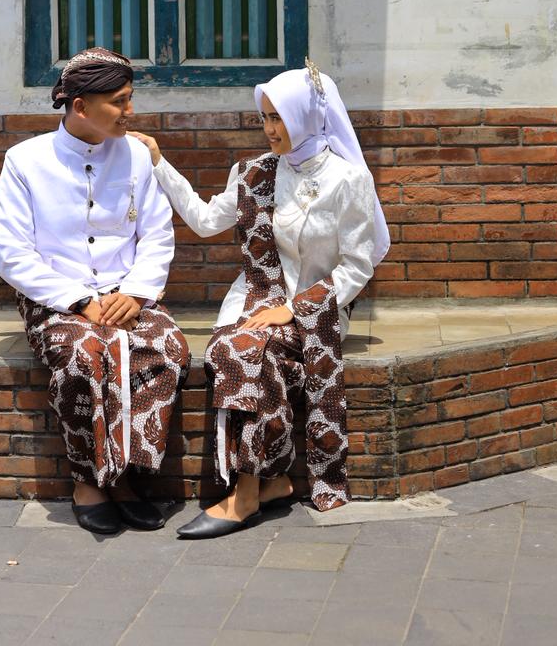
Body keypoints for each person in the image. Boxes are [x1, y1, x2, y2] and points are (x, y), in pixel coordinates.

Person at [131, 60, 389, 540]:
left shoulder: (348, 180)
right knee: (233, 350)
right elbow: (205, 220)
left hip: (317, 310)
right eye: (265, 118)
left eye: (279, 118)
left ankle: (246, 493)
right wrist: (159, 163)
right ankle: (270, 482)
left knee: (245, 353)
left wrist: (294, 308)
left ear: (306, 117)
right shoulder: (253, 172)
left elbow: (357, 266)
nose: (270, 129)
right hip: (252, 300)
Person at [0, 47, 190, 535]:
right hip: (55, 297)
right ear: (80, 106)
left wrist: (138, 293)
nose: (130, 111)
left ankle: (124, 477)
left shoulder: (137, 156)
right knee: (84, 356)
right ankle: (89, 482)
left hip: (127, 292)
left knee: (166, 349)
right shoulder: (26, 161)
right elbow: (12, 253)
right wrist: (79, 301)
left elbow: (158, 234)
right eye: (119, 102)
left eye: (129, 99)